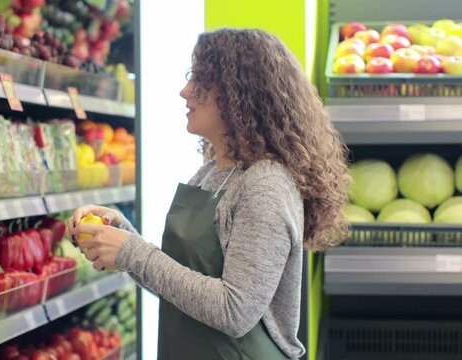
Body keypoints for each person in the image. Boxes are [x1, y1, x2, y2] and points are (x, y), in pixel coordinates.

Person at [68, 28, 350, 360]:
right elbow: (181, 283)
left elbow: (235, 310)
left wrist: (133, 252)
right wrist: (122, 238)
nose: (185, 91)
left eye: (200, 80)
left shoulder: (265, 185)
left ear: (239, 92)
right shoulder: (211, 173)